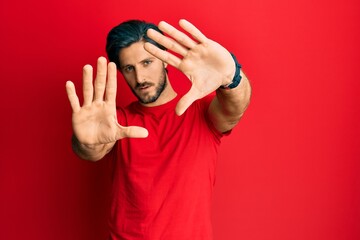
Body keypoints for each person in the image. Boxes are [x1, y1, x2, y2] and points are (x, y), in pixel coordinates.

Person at [66, 19, 251, 240]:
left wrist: (233, 77)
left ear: (164, 60)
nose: (140, 78)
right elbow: (92, 150)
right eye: (129, 68)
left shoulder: (203, 113)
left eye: (147, 63)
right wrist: (85, 142)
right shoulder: (117, 123)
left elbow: (235, 107)